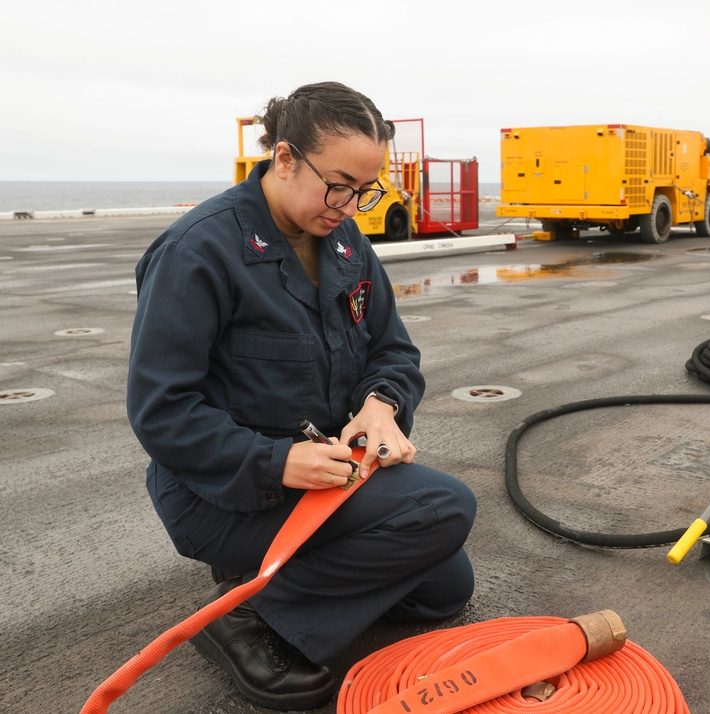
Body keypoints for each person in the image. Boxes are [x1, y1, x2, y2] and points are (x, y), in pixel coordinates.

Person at [126, 81, 477, 711]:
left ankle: (271, 577)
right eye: (338, 184)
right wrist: (274, 461)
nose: (350, 204)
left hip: (325, 478)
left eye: (366, 190)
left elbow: (392, 352)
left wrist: (381, 405)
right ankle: (244, 619)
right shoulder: (197, 251)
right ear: (285, 158)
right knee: (445, 508)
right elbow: (161, 409)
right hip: (225, 495)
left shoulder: (345, 244)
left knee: (445, 587)